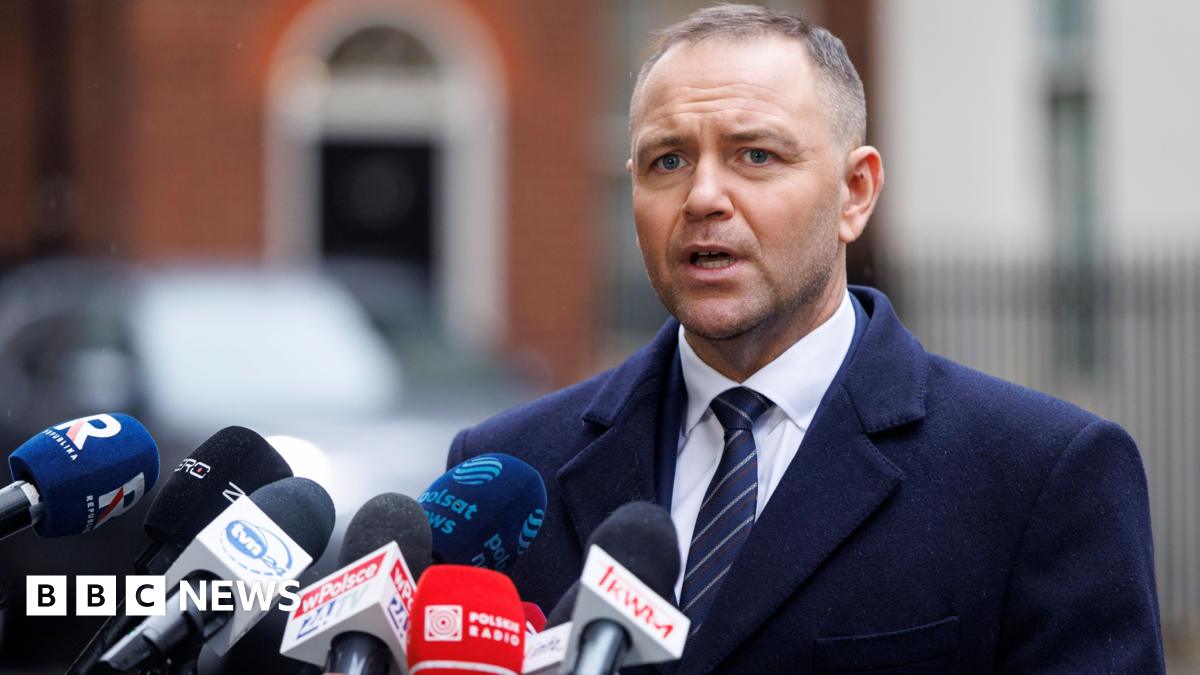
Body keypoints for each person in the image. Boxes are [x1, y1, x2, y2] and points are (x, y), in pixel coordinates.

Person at [446, 5, 1164, 672]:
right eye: (667, 160)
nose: (702, 196)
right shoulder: (507, 472)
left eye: (755, 155)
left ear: (855, 193)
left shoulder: (1042, 476)